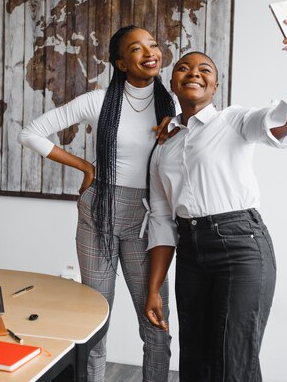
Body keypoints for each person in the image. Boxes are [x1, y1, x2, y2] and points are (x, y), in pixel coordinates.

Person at [144, 20, 287, 381]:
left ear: (215, 85)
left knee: (233, 360)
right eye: (183, 67)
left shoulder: (235, 120)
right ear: (173, 82)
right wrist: (154, 289)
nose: (193, 72)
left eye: (204, 69)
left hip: (241, 246)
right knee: (195, 362)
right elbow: (162, 222)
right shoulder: (163, 145)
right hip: (191, 254)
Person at [19, 25, 175, 382]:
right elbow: (30, 132)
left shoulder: (175, 105)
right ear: (121, 62)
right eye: (137, 48)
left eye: (152, 44)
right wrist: (85, 166)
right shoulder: (97, 100)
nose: (150, 51)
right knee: (95, 322)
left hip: (148, 220)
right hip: (98, 213)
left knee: (155, 324)